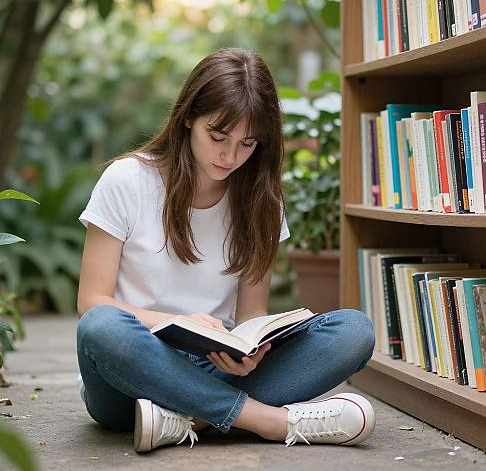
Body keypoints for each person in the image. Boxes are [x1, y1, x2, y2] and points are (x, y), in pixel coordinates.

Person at [76, 48, 376, 453]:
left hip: (215, 366)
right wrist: (177, 321)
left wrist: (250, 350)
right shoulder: (128, 179)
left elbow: (251, 313)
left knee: (354, 332)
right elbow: (92, 302)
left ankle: (188, 419)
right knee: (100, 327)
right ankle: (267, 420)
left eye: (247, 144)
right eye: (217, 137)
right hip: (133, 370)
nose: (229, 156)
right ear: (187, 118)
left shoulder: (261, 201)